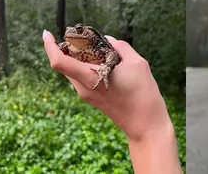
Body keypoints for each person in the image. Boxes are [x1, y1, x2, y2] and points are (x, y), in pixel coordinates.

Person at [42, 30, 182, 174]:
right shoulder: (70, 46)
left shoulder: (97, 47)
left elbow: (112, 55)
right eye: (68, 30)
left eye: (78, 29)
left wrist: (106, 68)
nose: (71, 32)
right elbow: (63, 47)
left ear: (90, 34)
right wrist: (149, 131)